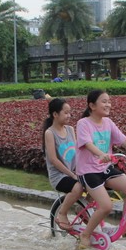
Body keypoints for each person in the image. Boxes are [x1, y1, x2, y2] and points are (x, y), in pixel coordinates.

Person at [75, 90, 126, 250]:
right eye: (104, 101)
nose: (108, 104)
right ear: (92, 105)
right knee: (106, 206)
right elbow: (88, 144)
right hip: (88, 172)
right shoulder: (84, 123)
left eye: (109, 101)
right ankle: (86, 234)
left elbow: (124, 139)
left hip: (105, 169)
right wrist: (101, 154)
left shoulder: (108, 123)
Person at [43, 97, 83, 231]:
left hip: (73, 173)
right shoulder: (50, 133)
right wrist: (72, 174)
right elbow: (53, 160)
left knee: (93, 183)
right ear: (55, 114)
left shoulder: (71, 129)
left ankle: (81, 208)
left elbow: (78, 152)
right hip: (59, 176)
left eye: (69, 112)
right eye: (65, 113)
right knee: (78, 187)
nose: (69, 115)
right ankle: (62, 213)